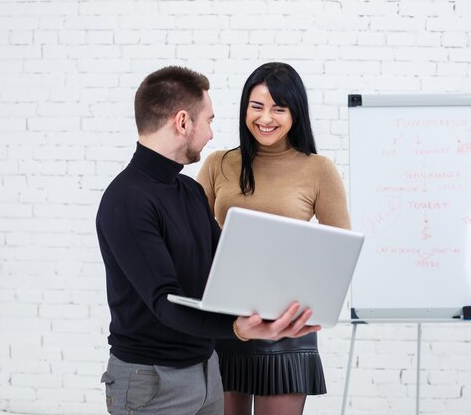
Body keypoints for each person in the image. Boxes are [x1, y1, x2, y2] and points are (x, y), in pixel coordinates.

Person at [96, 65, 321, 415]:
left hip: (207, 372)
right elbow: (164, 301)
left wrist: (282, 307)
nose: (212, 134)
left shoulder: (188, 191)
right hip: (152, 382)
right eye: (209, 121)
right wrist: (238, 328)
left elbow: (227, 266)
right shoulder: (127, 200)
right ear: (183, 122)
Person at [196, 62, 351, 415]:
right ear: (243, 109)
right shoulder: (218, 164)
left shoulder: (319, 169)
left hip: (287, 326)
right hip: (226, 324)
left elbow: (338, 254)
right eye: (257, 106)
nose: (266, 118)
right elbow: (192, 240)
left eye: (279, 108)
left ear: (295, 112)